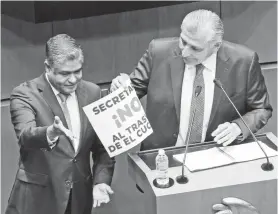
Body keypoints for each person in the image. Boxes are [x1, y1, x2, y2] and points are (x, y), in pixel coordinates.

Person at [110, 9, 272, 151]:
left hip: (216, 155)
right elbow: (128, 93)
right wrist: (121, 89)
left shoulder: (243, 61)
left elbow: (262, 109)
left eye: (195, 48)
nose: (185, 52)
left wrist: (239, 127)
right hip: (162, 157)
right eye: (183, 42)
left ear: (216, 46)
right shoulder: (158, 52)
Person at [6, 34, 115, 214]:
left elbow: (103, 147)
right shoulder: (24, 94)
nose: (73, 79)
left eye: (78, 71)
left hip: (79, 198)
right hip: (38, 200)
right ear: (48, 67)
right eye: (65, 73)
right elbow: (25, 135)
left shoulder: (93, 92)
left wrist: (101, 181)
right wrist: (49, 133)